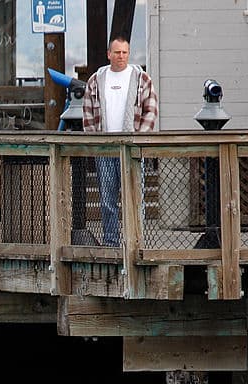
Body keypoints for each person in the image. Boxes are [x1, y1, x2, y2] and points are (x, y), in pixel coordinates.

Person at [82, 36, 158, 247]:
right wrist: (94, 142)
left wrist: (139, 139)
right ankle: (111, 242)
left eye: (124, 52)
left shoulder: (141, 78)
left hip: (131, 149)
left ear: (129, 53)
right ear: (109, 55)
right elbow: (87, 114)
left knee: (134, 197)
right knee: (107, 200)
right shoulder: (96, 79)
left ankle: (136, 241)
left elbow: (151, 110)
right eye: (117, 52)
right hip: (105, 148)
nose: (121, 56)